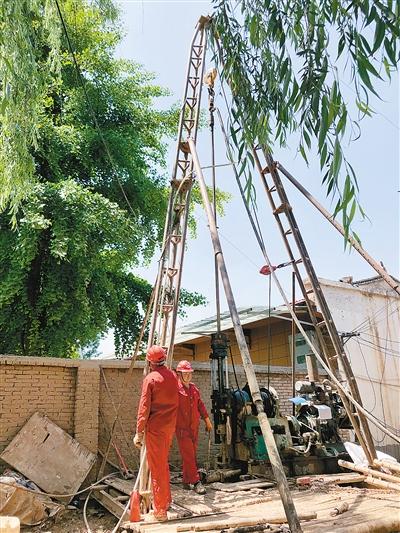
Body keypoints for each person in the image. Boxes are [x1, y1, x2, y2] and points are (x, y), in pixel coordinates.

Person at [133, 345, 179, 522]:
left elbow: (144, 408)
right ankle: (166, 501)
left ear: (150, 361)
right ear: (164, 359)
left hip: (155, 430)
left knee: (157, 468)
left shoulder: (150, 379)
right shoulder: (173, 376)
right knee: (163, 464)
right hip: (169, 428)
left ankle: (160, 511)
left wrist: (139, 432)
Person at [175, 360, 213, 495]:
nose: (188, 376)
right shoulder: (175, 390)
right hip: (181, 429)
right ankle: (196, 482)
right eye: (185, 373)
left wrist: (207, 421)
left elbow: (200, 406)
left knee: (190, 455)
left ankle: (186, 481)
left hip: (194, 428)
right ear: (178, 374)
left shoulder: (194, 389)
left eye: (189, 373)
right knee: (190, 456)